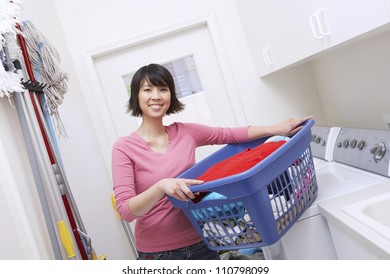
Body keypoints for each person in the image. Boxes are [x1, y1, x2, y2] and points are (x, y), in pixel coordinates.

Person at [112, 63, 311, 260]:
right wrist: (161, 186)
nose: (156, 96)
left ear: (170, 95)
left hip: (203, 243)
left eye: (163, 89)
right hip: (158, 254)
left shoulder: (185, 132)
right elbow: (126, 212)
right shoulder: (124, 147)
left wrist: (276, 129)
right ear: (136, 97)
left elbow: (229, 134)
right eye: (148, 90)